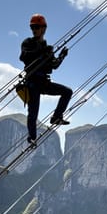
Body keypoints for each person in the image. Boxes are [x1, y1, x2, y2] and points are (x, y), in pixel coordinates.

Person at [20, 14, 72, 146]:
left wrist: (62, 56)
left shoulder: (47, 48)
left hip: (43, 82)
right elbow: (23, 57)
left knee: (67, 92)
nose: (34, 30)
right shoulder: (28, 43)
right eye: (32, 27)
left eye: (36, 27)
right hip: (32, 83)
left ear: (43, 28)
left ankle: (56, 117)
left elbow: (54, 65)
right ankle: (32, 137)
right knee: (33, 112)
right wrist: (42, 52)